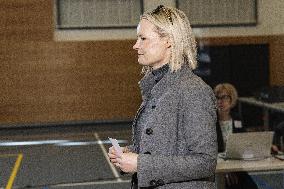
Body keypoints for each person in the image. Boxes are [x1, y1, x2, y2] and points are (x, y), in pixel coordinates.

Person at [108, 5, 217, 189]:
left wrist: (140, 164)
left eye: (143, 38)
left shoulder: (193, 90)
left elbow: (205, 162)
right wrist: (131, 154)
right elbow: (163, 148)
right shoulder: (156, 86)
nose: (136, 45)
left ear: (168, 40)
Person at [214, 83, 258, 189]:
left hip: (236, 166)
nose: (221, 101)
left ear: (231, 99)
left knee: (252, 186)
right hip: (217, 168)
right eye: (217, 98)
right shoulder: (210, 121)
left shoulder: (237, 119)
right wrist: (225, 171)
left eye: (225, 97)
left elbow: (244, 143)